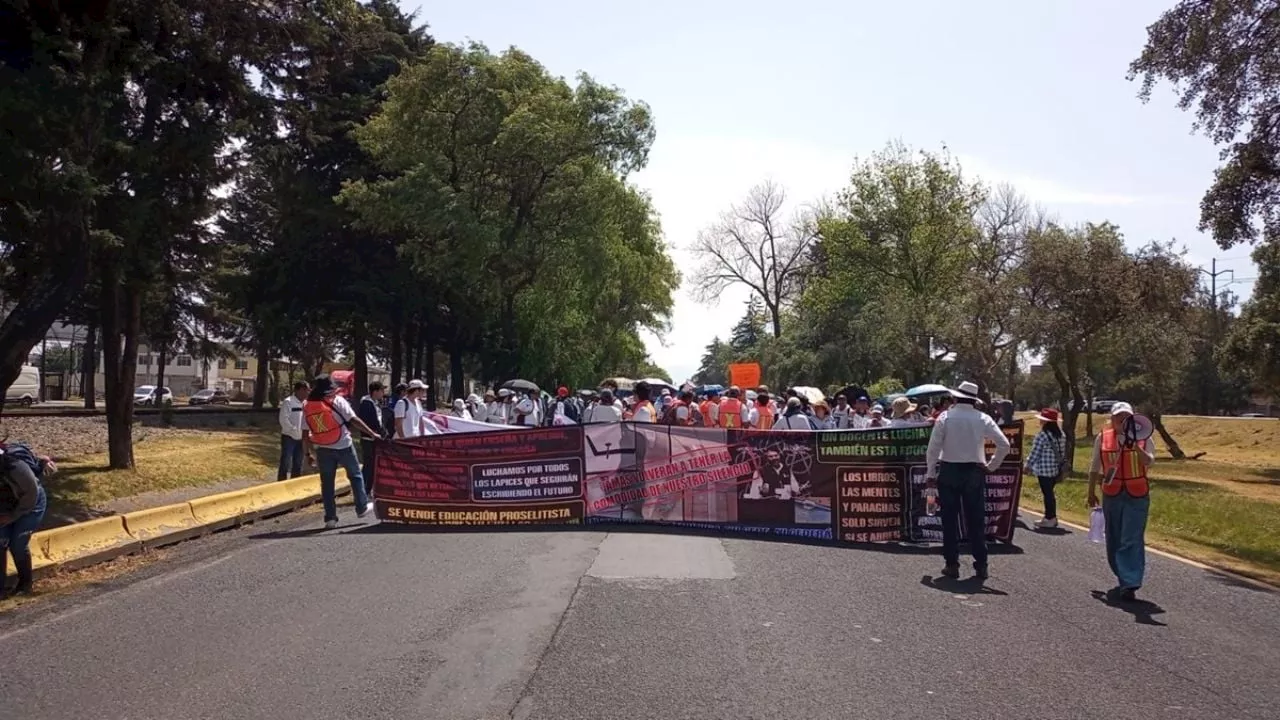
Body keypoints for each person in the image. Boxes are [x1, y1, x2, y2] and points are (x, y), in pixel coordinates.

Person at [925, 380, 1010, 580]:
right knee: (976, 520)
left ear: (955, 397)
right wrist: (991, 466)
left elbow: (933, 449)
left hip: (949, 470)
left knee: (949, 520)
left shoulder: (946, 417)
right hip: (974, 471)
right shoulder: (983, 418)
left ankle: (952, 564)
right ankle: (981, 564)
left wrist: (930, 474)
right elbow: (1004, 445)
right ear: (975, 401)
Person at [1087, 402, 1155, 602]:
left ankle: (1130, 582)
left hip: (1137, 495)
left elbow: (1149, 461)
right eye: (1119, 417)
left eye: (1127, 417)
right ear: (1112, 419)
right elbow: (1094, 467)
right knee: (1115, 538)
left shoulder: (1143, 438)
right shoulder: (1103, 437)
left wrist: (1136, 447)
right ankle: (1122, 575)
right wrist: (1090, 492)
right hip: (1112, 494)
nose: (1122, 421)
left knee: (1131, 538)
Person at [303, 374, 383, 529]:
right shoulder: (337, 400)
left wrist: (308, 454)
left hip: (322, 448)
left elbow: (305, 434)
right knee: (355, 475)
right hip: (343, 445)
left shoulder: (307, 405)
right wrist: (372, 433)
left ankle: (330, 519)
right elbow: (353, 419)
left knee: (327, 484)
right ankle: (361, 507)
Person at [0, 442, 53, 599]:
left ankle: (25, 584)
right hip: (5, 506)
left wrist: (12, 516)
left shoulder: (16, 467)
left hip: (31, 504)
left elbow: (31, 495)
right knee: (0, 542)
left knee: (18, 543)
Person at [1024, 408, 1066, 529]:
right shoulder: (1061, 435)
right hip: (1055, 469)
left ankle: (1050, 517)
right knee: (1049, 493)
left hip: (1044, 470)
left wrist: (1028, 465)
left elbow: (1035, 453)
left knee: (1047, 494)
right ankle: (1049, 516)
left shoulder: (1042, 435)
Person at [356, 382, 387, 497]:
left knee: (374, 465)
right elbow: (366, 421)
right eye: (381, 390)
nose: (383, 393)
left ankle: (368, 490)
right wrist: (373, 433)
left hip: (376, 439)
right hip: (368, 439)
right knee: (368, 465)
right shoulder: (366, 403)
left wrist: (383, 433)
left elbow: (379, 421)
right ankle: (362, 491)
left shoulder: (375, 403)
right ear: (375, 392)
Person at [277, 381, 309, 481]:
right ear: (299, 390)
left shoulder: (306, 403)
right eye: (305, 390)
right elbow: (283, 419)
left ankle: (295, 484)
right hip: (289, 437)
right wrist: (293, 430)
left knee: (298, 463)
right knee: (285, 462)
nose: (307, 392)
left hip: (301, 438)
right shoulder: (288, 401)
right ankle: (281, 483)